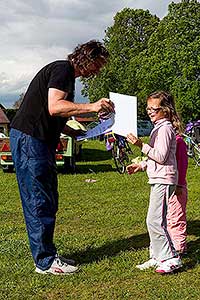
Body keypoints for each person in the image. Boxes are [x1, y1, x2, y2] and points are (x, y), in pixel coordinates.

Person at [10, 40, 114, 275]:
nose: (98, 70)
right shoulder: (63, 69)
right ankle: (45, 262)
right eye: (98, 64)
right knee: (39, 199)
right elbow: (54, 107)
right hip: (31, 140)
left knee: (47, 196)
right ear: (87, 57)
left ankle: (47, 254)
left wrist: (70, 130)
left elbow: (51, 113)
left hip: (35, 140)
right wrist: (93, 106)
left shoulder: (64, 74)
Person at [126, 91, 183, 274]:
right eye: (148, 108)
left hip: (164, 180)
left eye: (154, 109)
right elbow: (158, 157)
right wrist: (141, 165)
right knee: (154, 220)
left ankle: (171, 258)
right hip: (159, 178)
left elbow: (161, 156)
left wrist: (140, 145)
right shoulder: (159, 127)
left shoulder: (165, 128)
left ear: (165, 110)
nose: (150, 112)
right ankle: (157, 256)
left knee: (155, 221)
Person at [167, 129, 188, 256]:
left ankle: (179, 248)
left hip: (177, 186)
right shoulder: (167, 142)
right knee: (168, 216)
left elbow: (182, 164)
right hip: (167, 185)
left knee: (176, 217)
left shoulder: (178, 141)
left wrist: (179, 184)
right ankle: (171, 245)